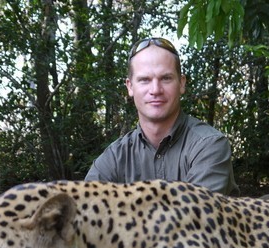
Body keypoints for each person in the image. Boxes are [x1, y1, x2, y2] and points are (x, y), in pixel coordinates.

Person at [85, 37, 238, 195]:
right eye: (144, 80)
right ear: (130, 87)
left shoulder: (209, 145)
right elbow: (84, 208)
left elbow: (194, 216)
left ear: (182, 83)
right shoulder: (115, 157)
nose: (155, 90)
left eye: (166, 78)